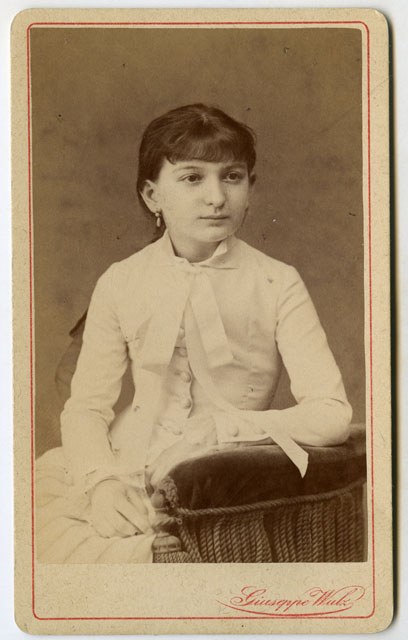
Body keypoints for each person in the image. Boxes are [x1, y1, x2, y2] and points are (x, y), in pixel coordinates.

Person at [36, 103, 352, 563]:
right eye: (192, 178)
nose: (216, 197)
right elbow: (85, 407)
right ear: (152, 196)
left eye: (232, 177)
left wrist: (227, 427)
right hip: (123, 470)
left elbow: (331, 413)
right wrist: (101, 481)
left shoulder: (277, 281)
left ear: (250, 189)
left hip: (222, 478)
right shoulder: (120, 280)